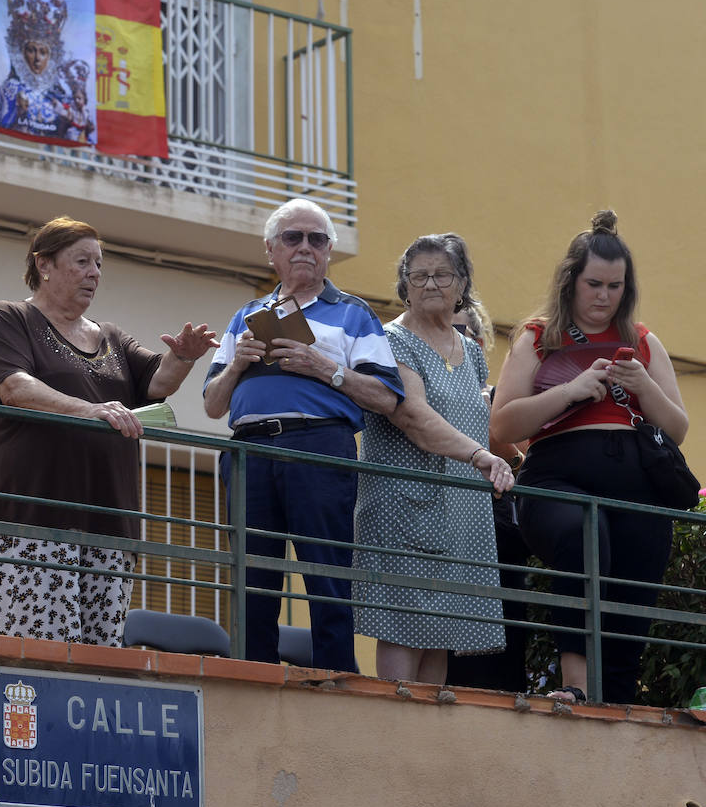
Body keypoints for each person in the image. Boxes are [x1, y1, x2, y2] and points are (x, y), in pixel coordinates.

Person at [0, 216, 217, 645]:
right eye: (82, 261)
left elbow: (157, 385)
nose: (94, 273)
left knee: (101, 659)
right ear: (44, 264)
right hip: (36, 520)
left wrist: (184, 358)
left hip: (110, 522)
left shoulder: (111, 337)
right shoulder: (10, 318)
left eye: (99, 264)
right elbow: (14, 386)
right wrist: (90, 410)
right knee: (42, 654)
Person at [491, 210, 688, 705]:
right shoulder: (538, 336)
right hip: (556, 475)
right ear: (571, 282)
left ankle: (618, 698)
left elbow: (679, 428)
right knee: (584, 530)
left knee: (637, 569)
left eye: (615, 286)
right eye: (594, 284)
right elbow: (503, 425)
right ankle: (575, 686)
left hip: (636, 479)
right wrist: (572, 391)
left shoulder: (643, 340)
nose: (604, 296)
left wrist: (644, 388)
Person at [203, 198, 404, 671]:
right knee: (252, 578)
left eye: (317, 239)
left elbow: (388, 397)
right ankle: (253, 673)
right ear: (271, 250)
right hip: (250, 449)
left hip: (320, 444)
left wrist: (326, 370)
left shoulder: (355, 314)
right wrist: (238, 363)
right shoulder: (245, 315)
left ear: (329, 250)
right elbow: (213, 404)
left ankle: (335, 678)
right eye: (293, 238)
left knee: (326, 572)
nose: (305, 247)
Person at [353, 234, 513, 684]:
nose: (429, 284)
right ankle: (398, 727)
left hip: (461, 508)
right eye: (418, 275)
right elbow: (414, 417)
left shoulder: (471, 352)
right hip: (404, 503)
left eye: (441, 274)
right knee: (404, 625)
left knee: (444, 628)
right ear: (405, 284)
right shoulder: (390, 340)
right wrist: (481, 456)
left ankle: (427, 738)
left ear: (462, 283)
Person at [445, 302, 536, 693]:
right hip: (444, 538)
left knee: (500, 671)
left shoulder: (502, 401)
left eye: (458, 332)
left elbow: (533, 462)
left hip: (498, 537)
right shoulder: (425, 395)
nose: (446, 341)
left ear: (480, 344)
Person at [0, 0, 83, 141]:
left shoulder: (61, 96)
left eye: (43, 52)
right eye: (31, 50)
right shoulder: (9, 90)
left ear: (51, 56)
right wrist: (20, 114)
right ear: (21, 52)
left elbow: (74, 137)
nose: (37, 59)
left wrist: (66, 122)